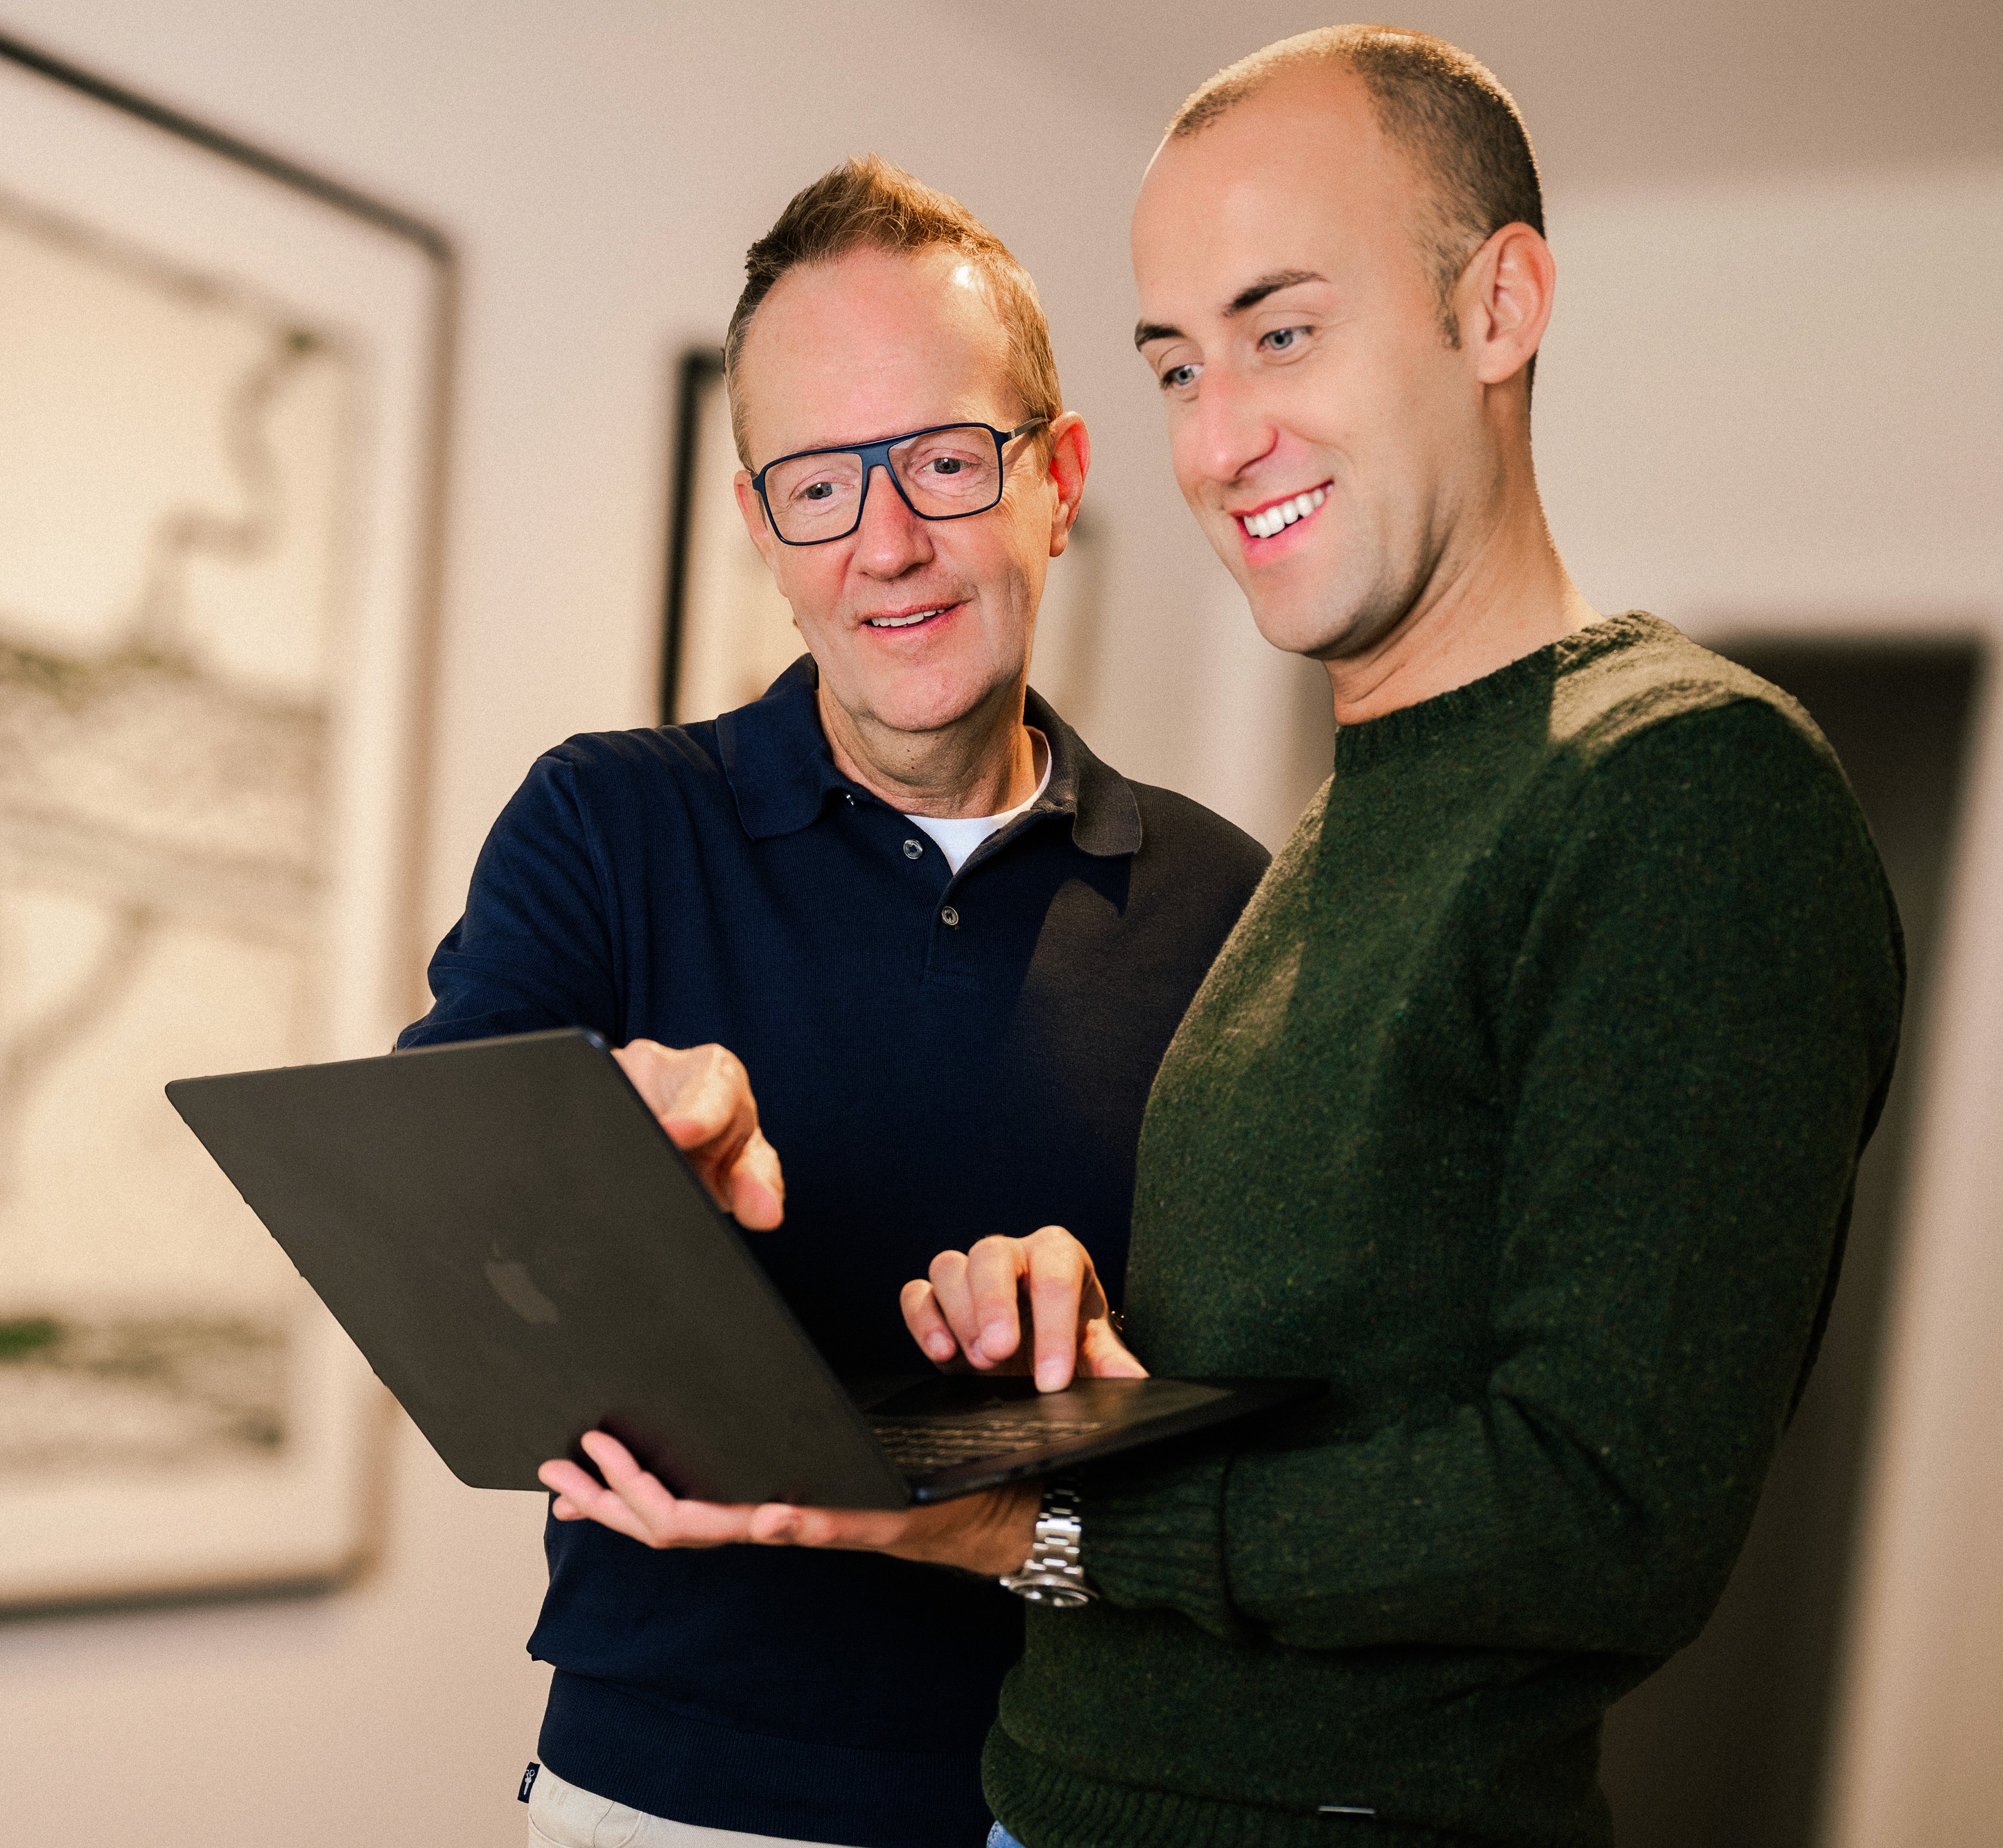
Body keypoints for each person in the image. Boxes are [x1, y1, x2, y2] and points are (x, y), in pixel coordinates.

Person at [540, 28, 1908, 1848]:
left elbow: (1604, 1514)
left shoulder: (1679, 783)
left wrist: (1023, 1520)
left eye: (1282, 332)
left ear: (1497, 307)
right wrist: (1077, 1347)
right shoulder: (1351, 832)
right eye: (1180, 363)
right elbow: (1340, 1369)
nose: (1216, 437)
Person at [401, 154, 1268, 1848]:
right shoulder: (604, 821)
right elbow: (437, 1237)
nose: (886, 544)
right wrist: (604, 1146)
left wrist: (1091, 1350)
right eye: (817, 482)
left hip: (1084, 1795)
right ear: (759, 529)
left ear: (1057, 478)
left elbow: (1262, 1435)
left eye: (943, 459)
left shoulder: (1231, 905)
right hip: (671, 1799)